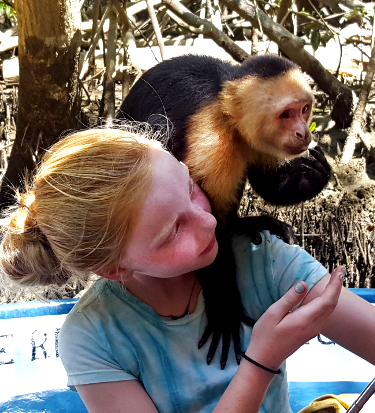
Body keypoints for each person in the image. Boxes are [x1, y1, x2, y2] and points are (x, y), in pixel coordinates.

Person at [0, 127, 374, 413]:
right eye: (173, 231)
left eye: (192, 186)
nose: (209, 223)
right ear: (114, 269)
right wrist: (261, 361)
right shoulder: (93, 337)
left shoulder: (261, 260)